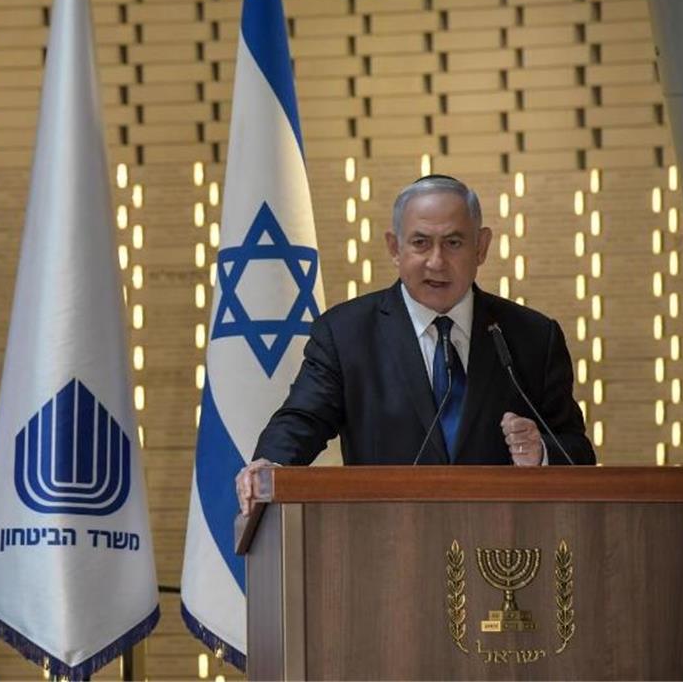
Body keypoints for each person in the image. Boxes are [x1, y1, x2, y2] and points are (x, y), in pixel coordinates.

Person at [236, 175, 596, 514]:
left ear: (481, 247)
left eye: (453, 243)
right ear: (395, 248)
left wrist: (541, 452)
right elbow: (304, 417)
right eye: (420, 243)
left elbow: (578, 452)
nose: (436, 262)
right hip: (386, 546)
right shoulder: (346, 333)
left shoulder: (532, 336)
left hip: (503, 551)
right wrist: (271, 465)